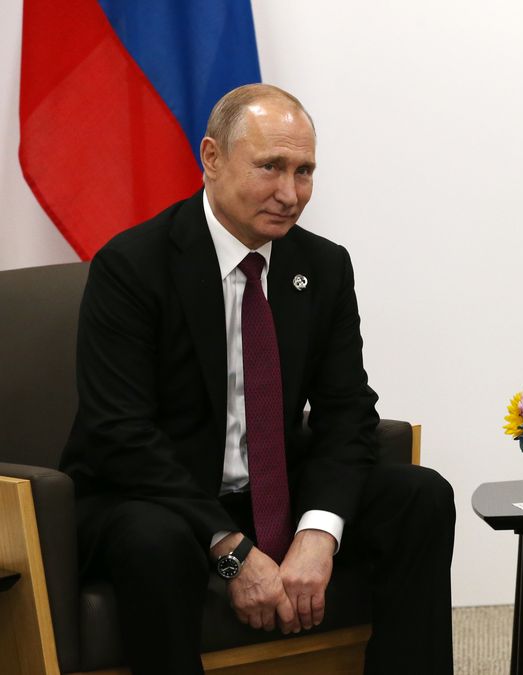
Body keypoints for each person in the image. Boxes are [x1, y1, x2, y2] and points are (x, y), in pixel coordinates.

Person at [60, 84, 455, 674]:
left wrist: (319, 534)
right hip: (151, 499)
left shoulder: (322, 266)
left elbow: (348, 413)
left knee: (421, 497)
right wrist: (233, 554)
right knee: (156, 540)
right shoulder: (132, 266)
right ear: (212, 158)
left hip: (269, 496)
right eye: (270, 167)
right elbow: (120, 436)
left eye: (304, 171)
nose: (290, 194)